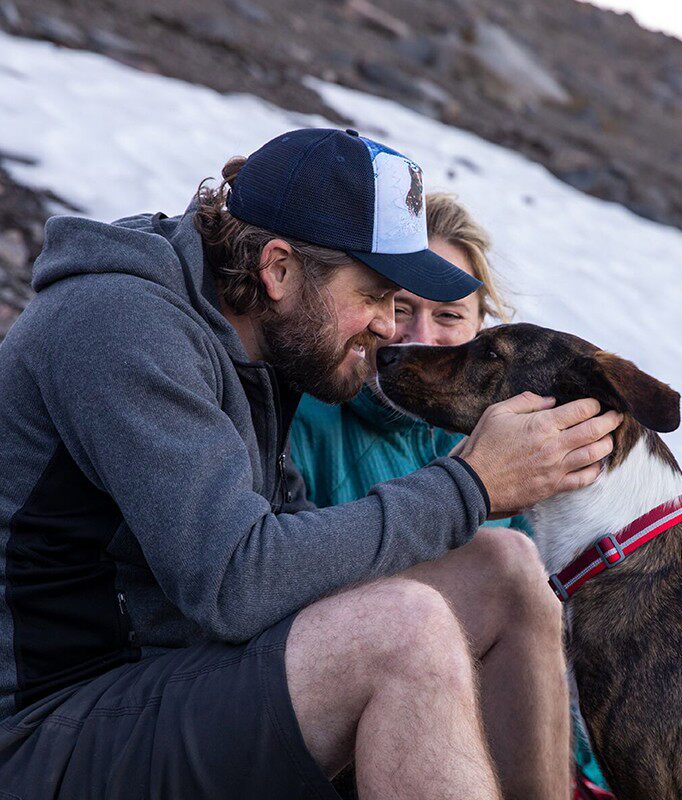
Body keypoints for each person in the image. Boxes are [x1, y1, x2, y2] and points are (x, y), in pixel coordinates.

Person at [0, 128, 621, 800]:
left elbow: (285, 545)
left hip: (168, 685)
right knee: (401, 630)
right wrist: (469, 485)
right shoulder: (122, 325)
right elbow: (234, 581)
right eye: (377, 295)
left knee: (505, 567)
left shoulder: (254, 345)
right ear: (278, 269)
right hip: (47, 727)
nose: (390, 327)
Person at [291, 192, 610, 792]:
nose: (421, 338)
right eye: (402, 308)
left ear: (482, 329)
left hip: (477, 734)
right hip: (351, 697)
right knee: (507, 561)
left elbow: (544, 645)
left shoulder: (506, 443)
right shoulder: (307, 417)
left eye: (448, 317)